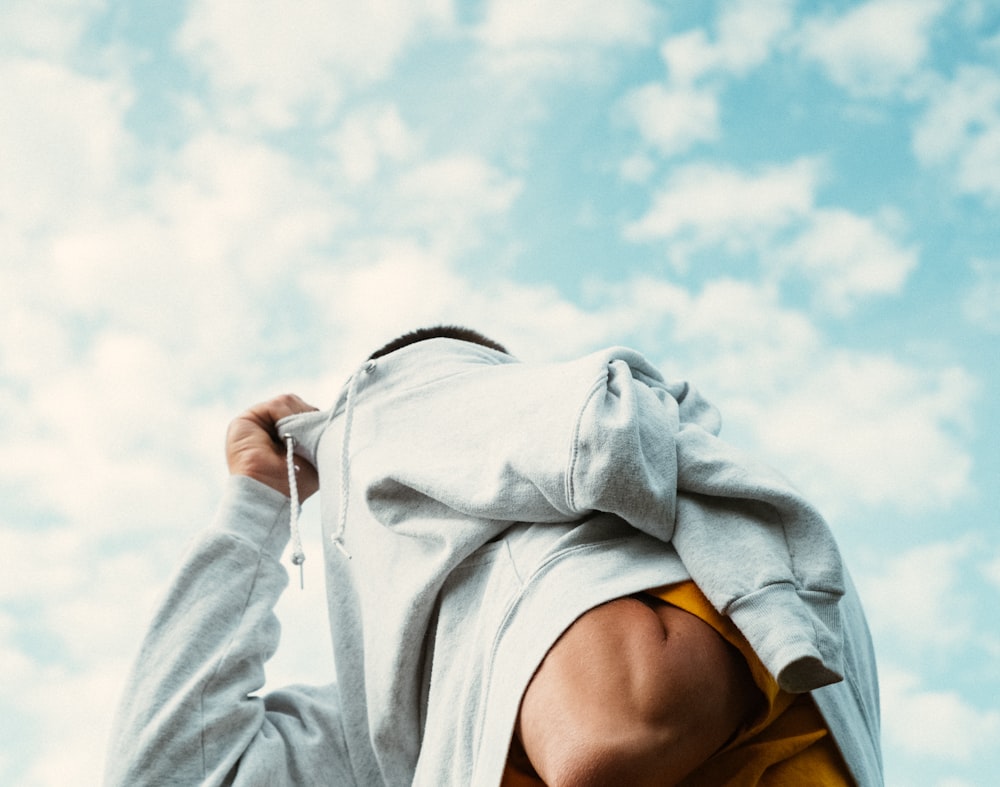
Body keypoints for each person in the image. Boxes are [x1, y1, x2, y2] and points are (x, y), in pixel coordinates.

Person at [104, 326, 882, 786]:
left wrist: (413, 449)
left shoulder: (717, 540)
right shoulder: (421, 731)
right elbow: (171, 771)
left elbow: (614, 735)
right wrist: (258, 501)